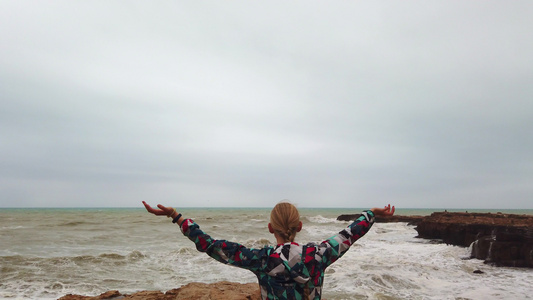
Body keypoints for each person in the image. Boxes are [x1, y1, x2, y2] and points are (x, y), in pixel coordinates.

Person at [143, 201, 395, 300]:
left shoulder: (262, 260)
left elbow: (210, 245)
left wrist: (176, 217)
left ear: (269, 227)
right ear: (299, 226)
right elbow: (350, 233)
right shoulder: (319, 254)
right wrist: (371, 214)